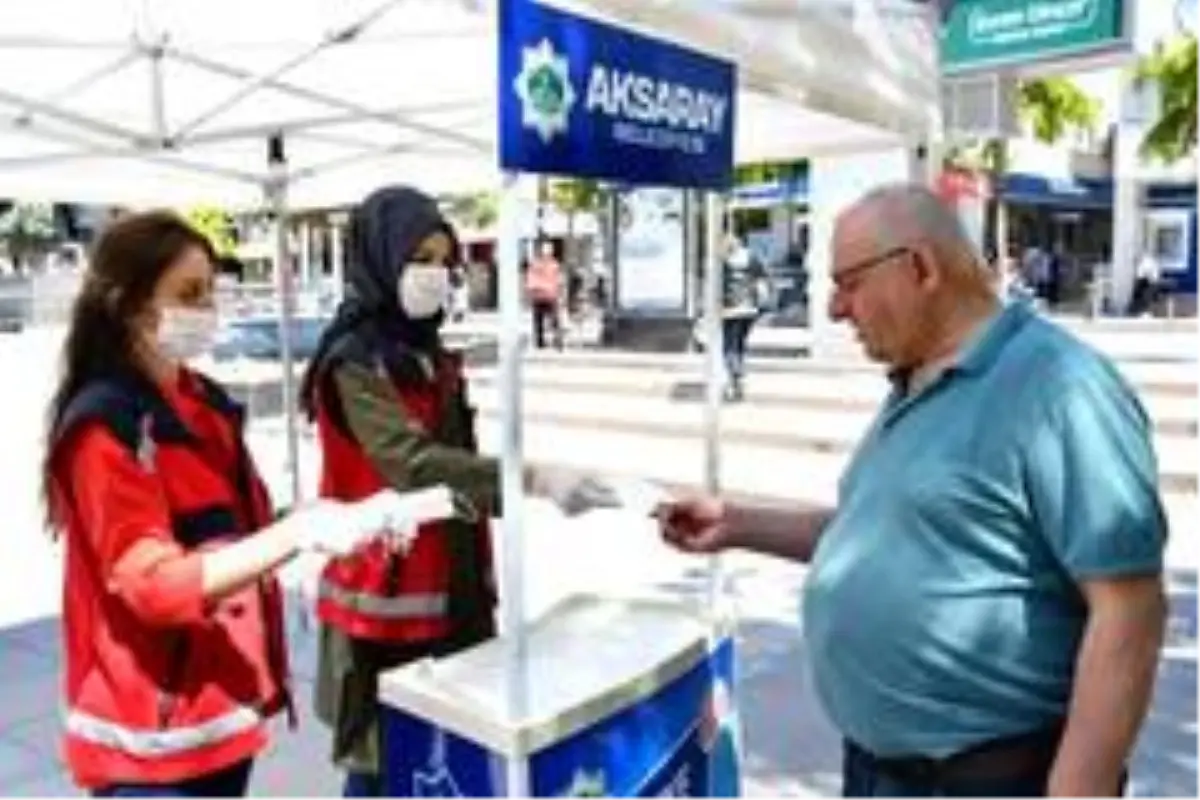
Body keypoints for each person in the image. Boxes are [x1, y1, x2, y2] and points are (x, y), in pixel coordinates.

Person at [657, 183, 1167, 800]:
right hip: (882, 771)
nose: (835, 308)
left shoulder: (1062, 388)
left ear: (920, 268)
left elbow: (1129, 610)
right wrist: (736, 523)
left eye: (849, 283)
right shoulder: (917, 379)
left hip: (989, 779)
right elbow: (877, 531)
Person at [41, 211, 419, 798]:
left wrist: (337, 521)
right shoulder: (105, 427)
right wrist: (297, 534)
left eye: (211, 292)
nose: (206, 310)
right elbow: (156, 587)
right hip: (151, 745)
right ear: (128, 305)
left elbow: (241, 537)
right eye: (188, 294)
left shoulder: (204, 404)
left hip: (218, 714)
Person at [298, 186, 620, 799]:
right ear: (380, 257)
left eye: (443, 260)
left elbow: (457, 457)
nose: (435, 275)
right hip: (383, 603)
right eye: (419, 257)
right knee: (380, 764)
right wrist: (529, 478)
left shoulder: (429, 353)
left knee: (445, 756)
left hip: (454, 585)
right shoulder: (352, 363)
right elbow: (412, 465)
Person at [720, 233, 768, 402]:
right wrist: (761, 304)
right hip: (749, 309)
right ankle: (737, 376)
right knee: (739, 342)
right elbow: (762, 281)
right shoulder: (751, 257)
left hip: (729, 309)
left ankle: (735, 377)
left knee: (729, 346)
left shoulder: (722, 261)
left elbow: (716, 286)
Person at [525, 239, 563, 349]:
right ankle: (541, 341)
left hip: (550, 295)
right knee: (540, 320)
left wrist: (558, 291)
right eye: (546, 250)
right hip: (540, 295)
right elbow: (531, 278)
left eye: (549, 250)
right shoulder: (537, 264)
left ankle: (556, 340)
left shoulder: (553, 265)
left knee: (554, 320)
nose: (547, 253)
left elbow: (558, 279)